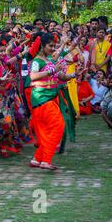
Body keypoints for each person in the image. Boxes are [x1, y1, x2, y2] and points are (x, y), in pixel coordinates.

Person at [28, 33, 75, 170]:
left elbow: (60, 76)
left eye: (54, 46)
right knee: (58, 126)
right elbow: (33, 76)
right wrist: (53, 70)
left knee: (48, 130)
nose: (52, 49)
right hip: (41, 98)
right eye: (50, 46)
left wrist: (73, 75)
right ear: (42, 46)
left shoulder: (48, 60)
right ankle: (46, 161)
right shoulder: (37, 61)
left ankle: (37, 159)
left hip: (50, 98)